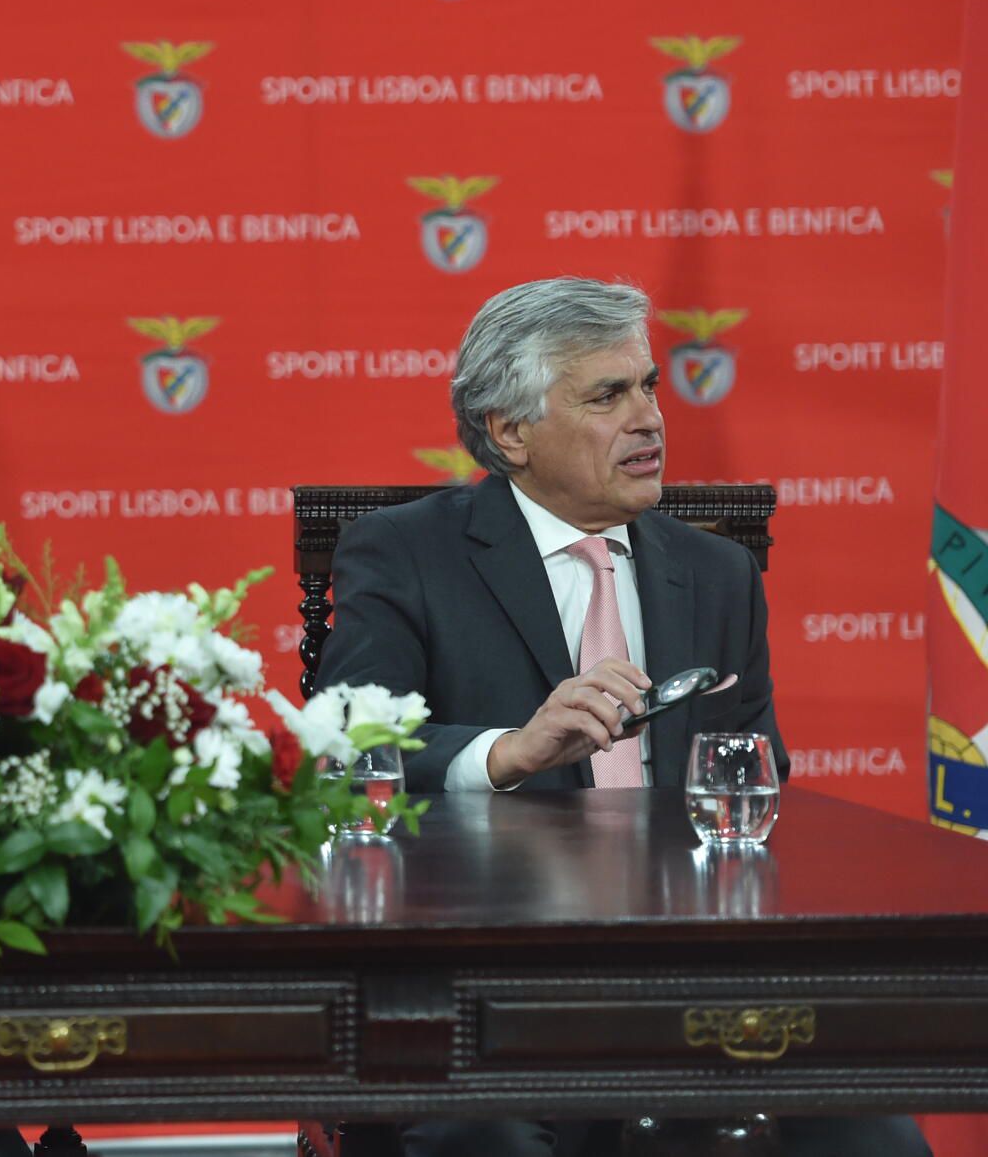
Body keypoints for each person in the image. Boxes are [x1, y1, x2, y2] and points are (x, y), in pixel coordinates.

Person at [315, 277, 924, 1157]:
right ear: (510, 431)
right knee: (482, 1139)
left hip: (691, 976)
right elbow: (344, 749)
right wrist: (507, 752)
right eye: (607, 396)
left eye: (648, 386)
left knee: (875, 1136)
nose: (649, 419)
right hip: (489, 982)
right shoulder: (409, 552)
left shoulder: (716, 574)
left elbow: (758, 782)